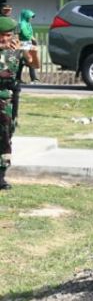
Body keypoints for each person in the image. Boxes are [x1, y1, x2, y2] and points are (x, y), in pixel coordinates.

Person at [0, 15, 25, 191]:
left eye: (8, 35)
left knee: (5, 137)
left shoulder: (14, 52)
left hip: (7, 100)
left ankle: (1, 177)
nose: (4, 39)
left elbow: (34, 64)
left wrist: (26, 52)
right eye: (1, 35)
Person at [17, 9, 39, 83]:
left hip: (27, 44)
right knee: (30, 61)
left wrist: (33, 40)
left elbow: (29, 34)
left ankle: (17, 78)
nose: (31, 18)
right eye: (30, 16)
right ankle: (34, 79)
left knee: (21, 62)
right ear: (26, 16)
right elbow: (24, 33)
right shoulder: (22, 24)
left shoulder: (27, 23)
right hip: (23, 44)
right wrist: (31, 38)